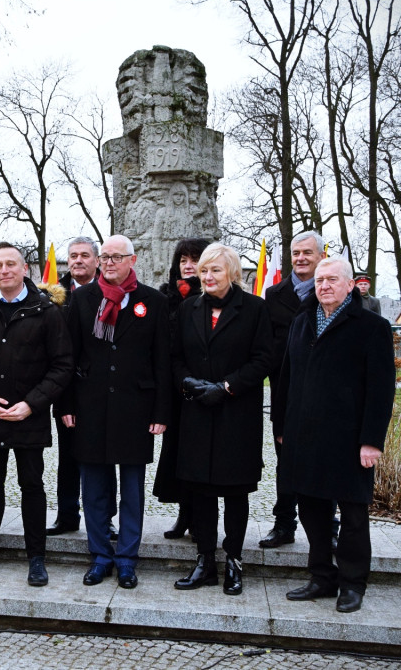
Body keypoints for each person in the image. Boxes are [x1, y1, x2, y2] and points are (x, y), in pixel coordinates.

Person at [273, 257, 394, 613]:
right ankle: (322, 576)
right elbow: (285, 379)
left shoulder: (372, 327)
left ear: (350, 285)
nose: (323, 285)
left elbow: (381, 388)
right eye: (319, 280)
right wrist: (281, 427)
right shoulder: (301, 322)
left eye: (331, 279)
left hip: (350, 441)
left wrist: (372, 439)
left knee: (353, 515)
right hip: (303, 436)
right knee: (312, 511)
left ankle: (352, 583)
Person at [0, 243, 73, 587]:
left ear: (25, 269)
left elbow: (62, 365)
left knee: (32, 485)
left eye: (11, 264)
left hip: (29, 415)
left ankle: (36, 557)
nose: (4, 270)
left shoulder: (47, 311)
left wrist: (33, 404)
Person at [61, 235, 171, 590]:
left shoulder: (152, 301)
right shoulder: (81, 299)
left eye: (115, 257)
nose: (108, 263)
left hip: (135, 407)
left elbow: (162, 360)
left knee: (132, 489)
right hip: (90, 405)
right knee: (92, 487)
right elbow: (68, 356)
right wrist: (65, 404)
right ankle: (100, 557)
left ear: (132, 260)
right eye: (104, 257)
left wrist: (161, 410)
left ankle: (126, 559)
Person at [171, 243, 273, 595]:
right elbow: (175, 357)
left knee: (234, 491)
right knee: (200, 491)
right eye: (204, 271)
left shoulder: (255, 309)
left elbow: (263, 359)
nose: (208, 276)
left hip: (236, 415)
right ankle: (204, 562)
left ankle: (233, 560)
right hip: (197, 411)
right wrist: (188, 383)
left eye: (215, 270)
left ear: (232, 273)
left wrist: (227, 387)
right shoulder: (187, 309)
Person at [260, 230, 326, 549]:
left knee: (323, 460)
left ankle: (329, 524)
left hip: (322, 395)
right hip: (285, 393)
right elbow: (269, 346)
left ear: (321, 256)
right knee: (285, 462)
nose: (301, 258)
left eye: (307, 253)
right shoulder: (274, 294)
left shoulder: (330, 291)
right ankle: (284, 523)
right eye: (296, 253)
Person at [47, 236, 113, 538]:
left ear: (97, 261)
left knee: (103, 456)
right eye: (72, 255)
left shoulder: (110, 294)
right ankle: (67, 514)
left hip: (101, 389)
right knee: (68, 455)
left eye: (84, 255)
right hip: (66, 386)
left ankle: (105, 517)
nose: (77, 261)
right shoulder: (52, 296)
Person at [152, 237, 210, 540]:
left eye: (195, 259)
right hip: (175, 388)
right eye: (184, 259)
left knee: (200, 457)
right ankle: (183, 514)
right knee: (176, 454)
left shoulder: (213, 295)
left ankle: (202, 517)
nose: (189, 265)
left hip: (203, 388)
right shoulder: (166, 297)